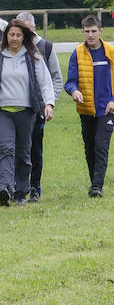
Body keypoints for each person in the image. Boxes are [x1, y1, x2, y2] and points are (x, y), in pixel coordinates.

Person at [64, 16, 114, 198]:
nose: (90, 35)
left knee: (101, 146)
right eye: (87, 31)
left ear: (100, 31)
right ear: (82, 32)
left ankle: (97, 186)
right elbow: (70, 82)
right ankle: (94, 181)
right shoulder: (77, 53)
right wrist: (74, 91)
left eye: (94, 31)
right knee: (90, 147)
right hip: (86, 109)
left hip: (107, 109)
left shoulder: (112, 52)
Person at [0, 19, 56, 206]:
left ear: (24, 37)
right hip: (3, 112)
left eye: (18, 35)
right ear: (6, 36)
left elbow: (45, 83)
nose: (14, 38)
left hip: (26, 112)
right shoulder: (0, 56)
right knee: (6, 149)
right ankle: (5, 188)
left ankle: (21, 192)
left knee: (24, 152)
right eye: (11, 34)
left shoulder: (33, 57)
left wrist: (49, 104)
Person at [11, 13, 61, 201]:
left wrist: (49, 103)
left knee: (34, 148)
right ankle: (15, 184)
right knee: (12, 147)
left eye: (26, 30)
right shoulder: (9, 48)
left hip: (37, 109)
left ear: (33, 28)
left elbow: (55, 78)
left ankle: (34, 186)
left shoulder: (45, 47)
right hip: (13, 108)